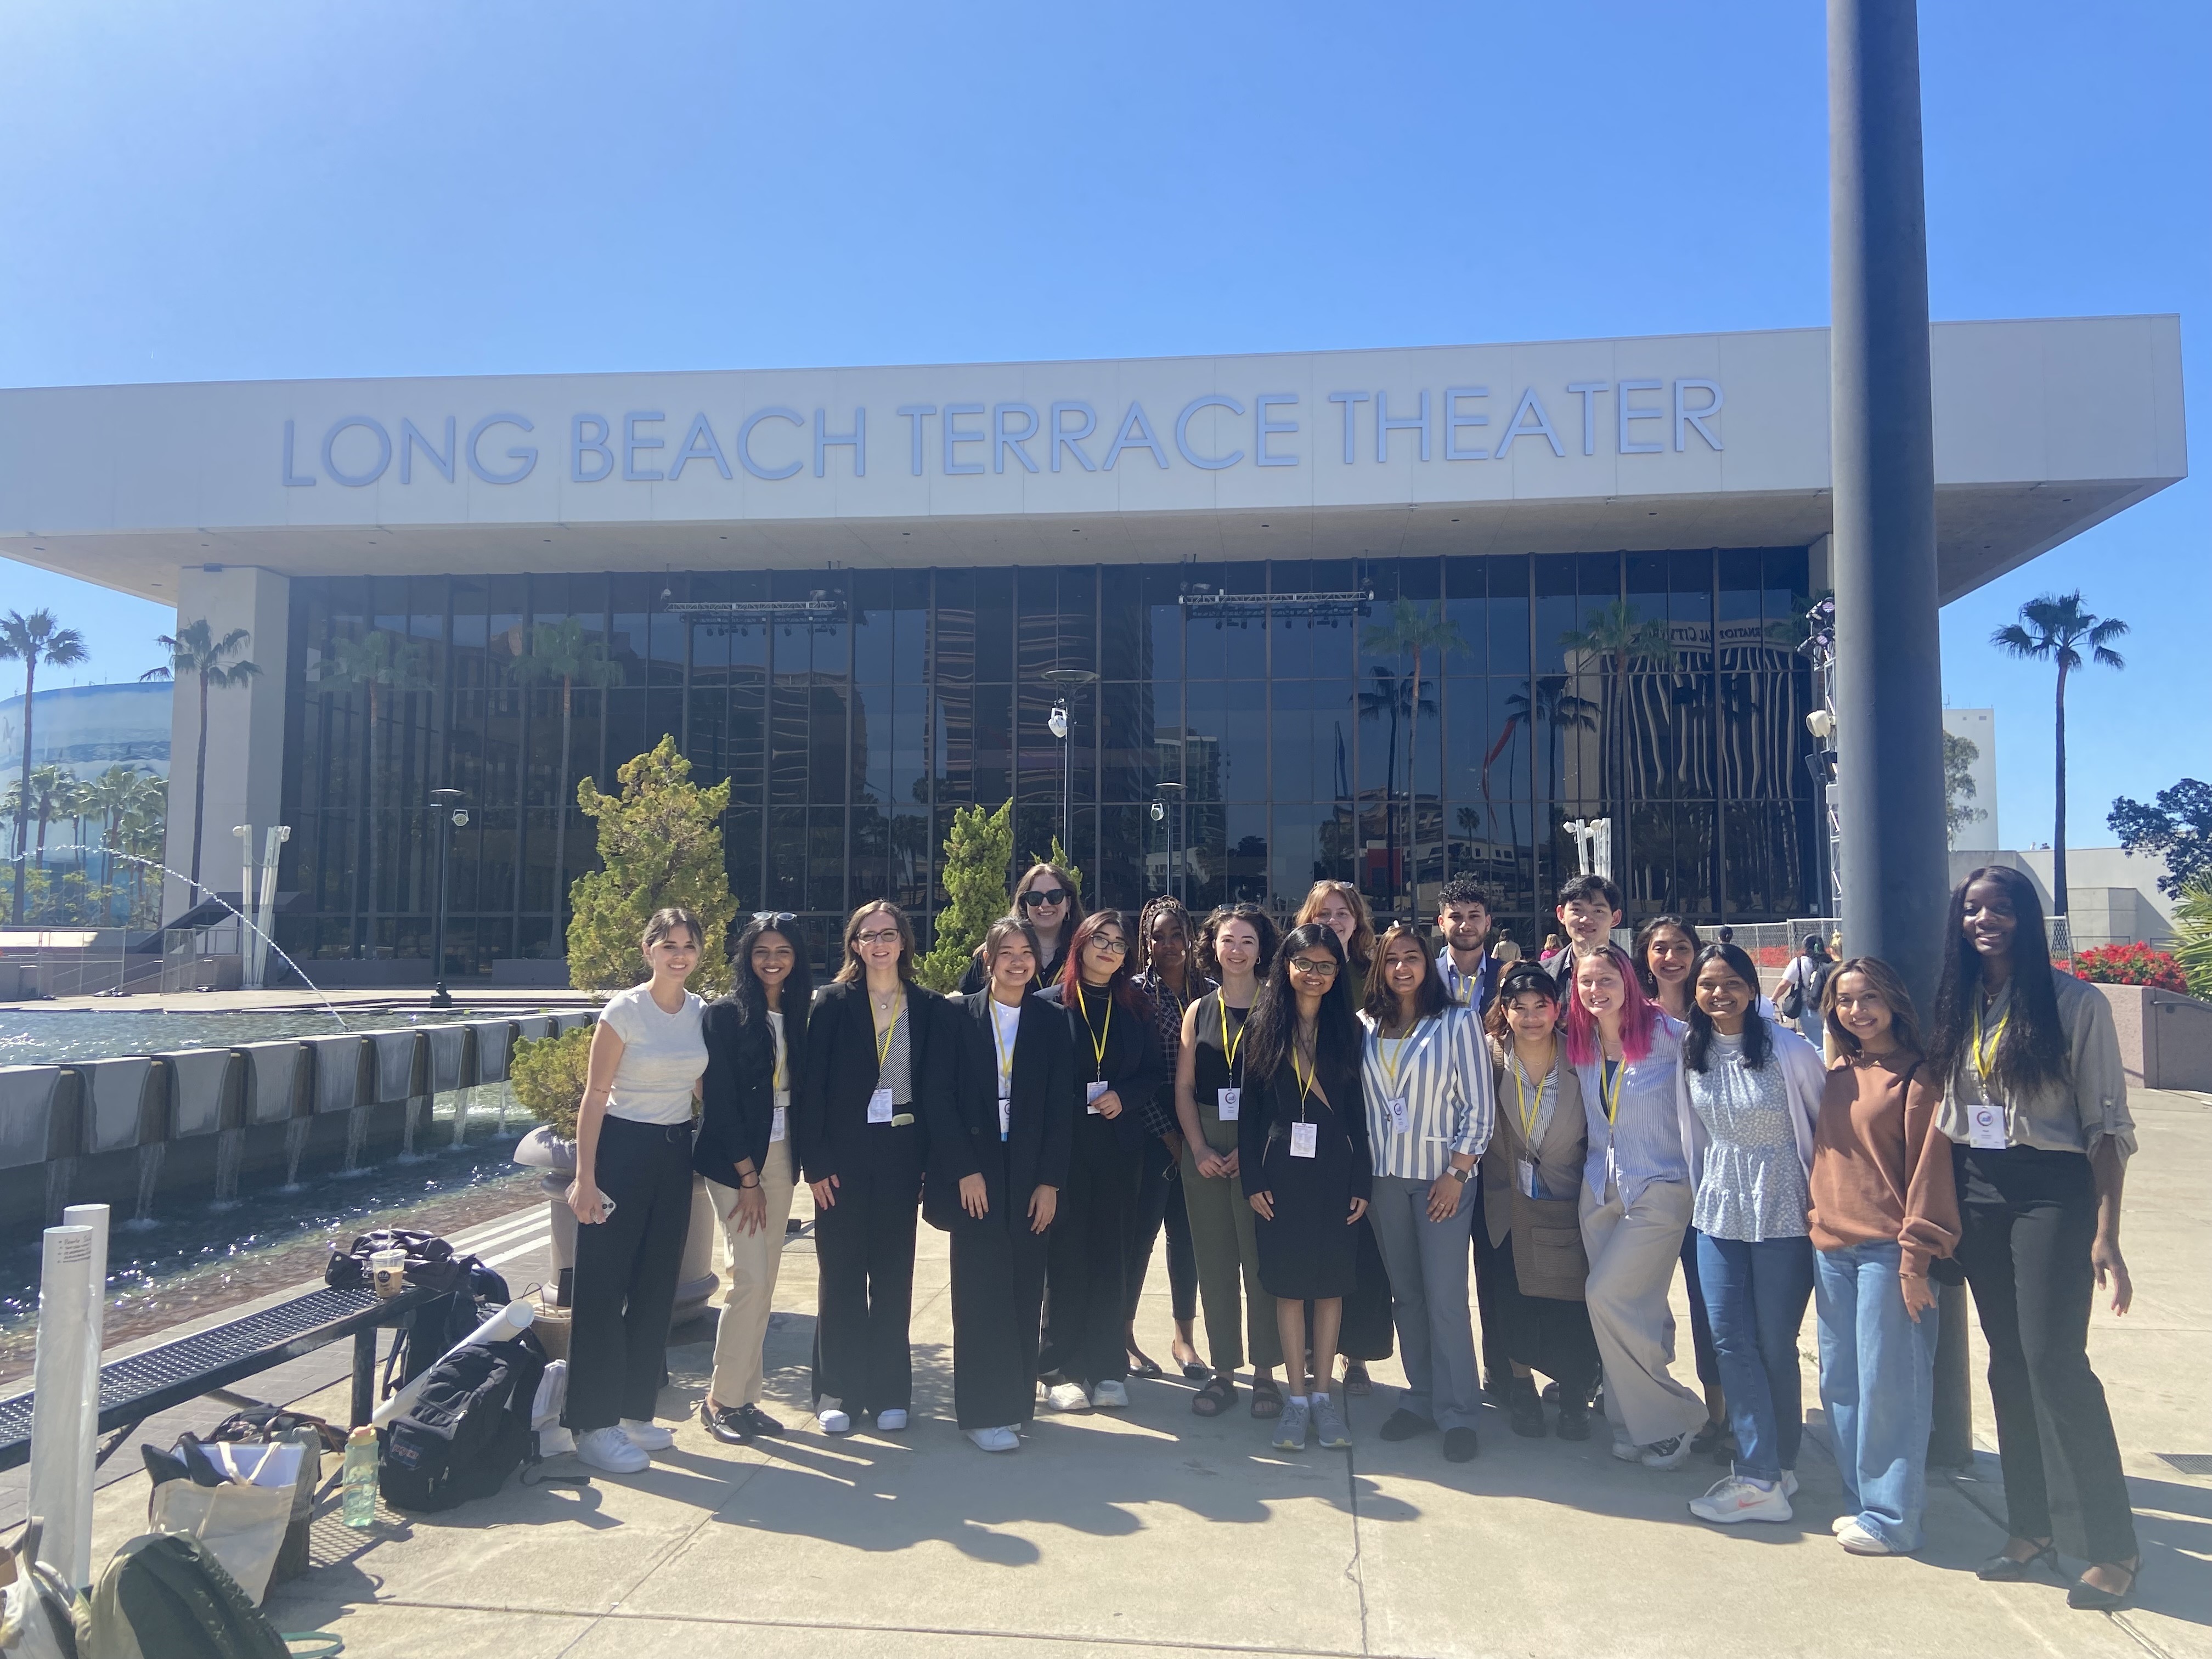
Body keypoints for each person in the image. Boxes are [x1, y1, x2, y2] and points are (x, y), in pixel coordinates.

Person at [1930, 866, 2140, 1610]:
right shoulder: (1959, 1003)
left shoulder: (2075, 1004)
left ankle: (2112, 1546)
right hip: (1980, 1192)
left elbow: (2108, 1128)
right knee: (2009, 1366)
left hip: (2053, 1190)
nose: (1985, 919)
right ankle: (2032, 1528)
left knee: (2057, 1363)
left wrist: (2107, 1234)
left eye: (2002, 907)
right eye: (1973, 909)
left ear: (2028, 914)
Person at [797, 900, 965, 1435]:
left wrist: (930, 1166)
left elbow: (940, 1093)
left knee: (893, 1278)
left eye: (888, 934)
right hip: (842, 1163)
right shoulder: (830, 1004)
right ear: (855, 944)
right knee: (841, 1277)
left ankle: (892, 1391)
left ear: (903, 942)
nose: (879, 943)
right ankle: (838, 1390)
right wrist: (816, 1163)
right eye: (868, 935)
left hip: (901, 1155)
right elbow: (811, 1093)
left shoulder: (928, 1007)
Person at [1673, 941, 1826, 1525]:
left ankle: (1773, 1469)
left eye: (1731, 982)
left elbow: (1819, 1121)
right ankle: (1762, 1469)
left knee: (1773, 1342)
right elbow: (1696, 1132)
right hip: (1718, 1205)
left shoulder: (1789, 1049)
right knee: (1728, 1338)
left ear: (1752, 987)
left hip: (1782, 1204)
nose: (1719, 993)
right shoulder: (1693, 1049)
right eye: (1708, 984)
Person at [1810, 956, 1958, 1555]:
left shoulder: (1918, 1077)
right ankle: (1862, 1503)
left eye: (1869, 997)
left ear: (1894, 1001)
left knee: (1891, 1386)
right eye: (1845, 1000)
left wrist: (1916, 1259)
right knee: (1841, 1383)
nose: (1857, 1010)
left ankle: (1894, 1518)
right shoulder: (1838, 1070)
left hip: (1887, 1251)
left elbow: (1930, 1173)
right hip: (1831, 1247)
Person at [563, 907, 710, 1474]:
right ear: (648, 949)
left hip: (674, 1153)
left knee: (656, 1286)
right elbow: (596, 1096)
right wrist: (585, 1176)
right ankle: (592, 1424)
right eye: (668, 944)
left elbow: (702, 1086)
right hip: (621, 1152)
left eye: (689, 945)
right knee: (603, 1288)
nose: (679, 954)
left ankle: (633, 1411)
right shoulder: (624, 1010)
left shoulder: (699, 1012)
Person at [937, 916, 1075, 1451]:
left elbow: (1062, 1109)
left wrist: (1050, 1183)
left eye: (1025, 952)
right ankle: (979, 1411)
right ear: (988, 960)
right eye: (1006, 952)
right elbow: (939, 1099)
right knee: (980, 1291)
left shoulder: (1051, 1019)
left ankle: (1015, 1404)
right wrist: (962, 1169)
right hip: (977, 1167)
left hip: (1028, 1168)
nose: (1017, 961)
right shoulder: (960, 1016)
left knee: (1022, 1287)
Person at [1567, 944, 1707, 1468]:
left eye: (1606, 980)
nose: (1595, 990)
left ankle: (1676, 1417)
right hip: (1599, 1187)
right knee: (1635, 1309)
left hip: (1661, 1186)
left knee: (1605, 1295)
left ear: (1628, 980)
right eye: (1586, 983)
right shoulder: (1580, 1043)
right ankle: (1635, 1423)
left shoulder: (1671, 1037)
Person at [1359, 923, 1489, 1462]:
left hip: (1442, 1182)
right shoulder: (1365, 1025)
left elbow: (1479, 1108)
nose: (1402, 969)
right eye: (1391, 960)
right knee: (1406, 1295)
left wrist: (1456, 1174)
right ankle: (1420, 1397)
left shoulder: (1458, 1022)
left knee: (1444, 1298)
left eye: (1412, 958)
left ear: (1427, 964)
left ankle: (1459, 1410)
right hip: (1385, 1178)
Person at [1240, 924, 1373, 1452]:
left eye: (1325, 966)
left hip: (1336, 1169)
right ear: (1286, 967)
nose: (1315, 976)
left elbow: (1361, 1115)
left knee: (1332, 1286)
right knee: (1291, 1287)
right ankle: (1296, 1399)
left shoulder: (1350, 1030)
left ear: (1337, 973)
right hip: (1279, 1174)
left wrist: (1362, 1177)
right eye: (1305, 965)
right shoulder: (1263, 1027)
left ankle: (1323, 1397)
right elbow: (1250, 1113)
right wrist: (1252, 1178)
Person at [696, 912, 812, 1444]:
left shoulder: (799, 1011)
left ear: (796, 958)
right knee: (749, 1275)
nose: (772, 960)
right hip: (736, 1163)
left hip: (784, 1155)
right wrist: (747, 1176)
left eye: (782, 951)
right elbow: (718, 1102)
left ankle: (746, 1399)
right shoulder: (725, 1015)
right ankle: (719, 1399)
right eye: (762, 951)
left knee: (765, 1281)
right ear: (747, 955)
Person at [1037, 909, 1156, 1410]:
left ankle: (1107, 1367)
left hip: (1119, 1151)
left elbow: (1153, 1074)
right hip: (1063, 1153)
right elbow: (1034, 1085)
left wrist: (1124, 1097)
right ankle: (1058, 1368)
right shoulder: (1047, 1006)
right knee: (1064, 1260)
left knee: (1113, 1258)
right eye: (1100, 940)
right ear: (1080, 945)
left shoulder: (1137, 1007)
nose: (1109, 950)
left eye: (1119, 944)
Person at [1480, 962, 1601, 1441]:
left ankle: (1574, 1398)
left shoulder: (1582, 1058)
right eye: (1519, 1008)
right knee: (1511, 1300)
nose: (1531, 1018)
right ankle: (1522, 1389)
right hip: (1504, 1199)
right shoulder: (1488, 1058)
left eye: (1541, 1007)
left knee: (1570, 1305)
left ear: (1557, 1009)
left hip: (1566, 1197)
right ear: (1504, 1012)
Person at [1174, 904, 1285, 1419]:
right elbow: (1184, 1087)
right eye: (1227, 940)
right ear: (1212, 947)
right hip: (1205, 1145)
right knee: (1214, 1263)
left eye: (1246, 941)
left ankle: (1266, 1373)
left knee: (1260, 1263)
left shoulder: (1278, 1007)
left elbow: (1289, 1090)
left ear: (1261, 949)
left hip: (1259, 1146)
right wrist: (1197, 1148)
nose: (1236, 950)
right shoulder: (1198, 1010)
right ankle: (1224, 1372)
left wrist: (1256, 1150)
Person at [1630, 913, 1727, 1453]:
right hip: (1648, 1180)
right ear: (1644, 956)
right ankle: (1650, 1402)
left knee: (1709, 1301)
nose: (1671, 957)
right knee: (1641, 1301)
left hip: (1708, 1182)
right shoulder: (1632, 1019)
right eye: (1660, 947)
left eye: (1681, 947)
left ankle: (1721, 1414)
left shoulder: (1714, 1014)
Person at [1293, 880, 1392, 1395]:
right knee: (1313, 1242)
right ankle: (1313, 1352)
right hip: (1309, 1128)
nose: (1335, 920)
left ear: (1358, 920)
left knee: (1364, 1249)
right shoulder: (1293, 973)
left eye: (1344, 913)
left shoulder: (1375, 974)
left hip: (1367, 1122)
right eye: (1324, 912)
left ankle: (1356, 1356)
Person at [1128, 896, 1210, 1380]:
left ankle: (1184, 1338)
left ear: (1190, 937)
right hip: (1148, 1129)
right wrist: (1169, 1136)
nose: (1168, 945)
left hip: (1202, 1127)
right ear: (1146, 941)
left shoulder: (1214, 991)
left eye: (1176, 934)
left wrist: (1196, 1138)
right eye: (1158, 936)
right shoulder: (1134, 995)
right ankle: (1124, 1333)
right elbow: (1133, 1073)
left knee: (1188, 1241)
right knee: (1139, 1238)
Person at [959, 862, 1085, 994]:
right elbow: (971, 998)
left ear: (1069, 903)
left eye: (1055, 896)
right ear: (1024, 905)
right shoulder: (997, 949)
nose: (1045, 904)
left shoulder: (1086, 951)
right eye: (1035, 898)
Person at [1434, 876, 1501, 1014]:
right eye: (1456, 917)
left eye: (1474, 916)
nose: (1465, 926)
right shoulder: (1426, 974)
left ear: (1488, 923)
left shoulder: (1506, 976)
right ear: (1442, 924)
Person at [1541, 874, 1621, 980]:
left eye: (1598, 911)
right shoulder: (1542, 976)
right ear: (1561, 914)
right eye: (1577, 910)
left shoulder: (1639, 977)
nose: (1586, 920)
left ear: (1615, 918)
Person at [1776, 934, 1835, 1046]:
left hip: (1809, 1005)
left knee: (1816, 1043)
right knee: (1828, 1041)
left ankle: (1820, 1064)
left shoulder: (1800, 962)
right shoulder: (1829, 961)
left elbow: (1784, 984)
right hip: (1828, 1005)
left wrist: (1774, 999)